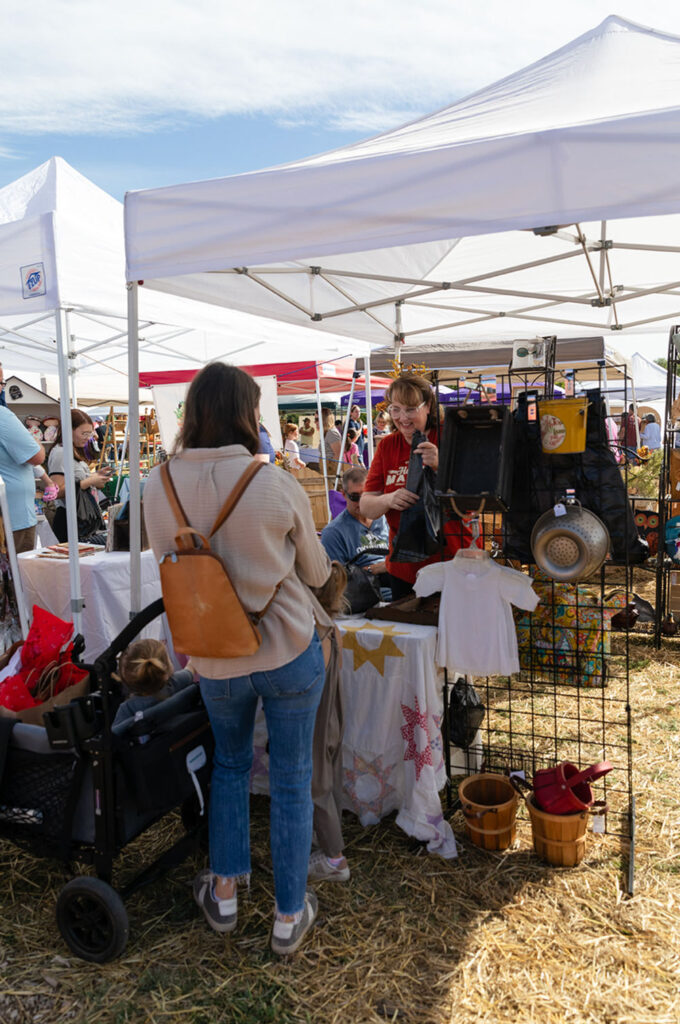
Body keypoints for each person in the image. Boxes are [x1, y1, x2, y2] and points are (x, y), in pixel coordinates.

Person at [143, 362, 331, 956]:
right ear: (249, 415)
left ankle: (224, 893)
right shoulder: (272, 483)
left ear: (193, 413)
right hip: (286, 650)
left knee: (228, 765)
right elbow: (318, 573)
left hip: (214, 654)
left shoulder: (155, 484)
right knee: (292, 776)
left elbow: (171, 571)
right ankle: (287, 914)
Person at [360, 372, 468, 600]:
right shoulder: (388, 446)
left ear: (428, 406)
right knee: (410, 631)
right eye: (395, 409)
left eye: (410, 409)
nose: (402, 417)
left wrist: (441, 466)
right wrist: (388, 500)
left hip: (453, 562)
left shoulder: (451, 436)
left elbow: (474, 497)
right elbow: (366, 506)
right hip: (404, 568)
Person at [307, 562, 350, 883]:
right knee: (329, 781)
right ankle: (321, 843)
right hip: (333, 717)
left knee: (318, 785)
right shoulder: (332, 628)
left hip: (317, 721)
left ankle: (335, 858)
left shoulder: (316, 632)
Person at [47, 410, 112, 545]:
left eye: (89, 433)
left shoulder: (72, 449)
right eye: (84, 433)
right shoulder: (61, 452)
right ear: (69, 430)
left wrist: (95, 477)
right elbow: (57, 491)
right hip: (70, 518)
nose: (87, 437)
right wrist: (89, 481)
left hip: (79, 517)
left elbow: (75, 480)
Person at [321, 467, 388, 574]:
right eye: (355, 497)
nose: (362, 502)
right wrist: (373, 569)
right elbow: (337, 579)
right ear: (343, 495)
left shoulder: (386, 519)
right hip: (364, 588)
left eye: (366, 495)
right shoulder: (333, 533)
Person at [113, 638, 193, 727]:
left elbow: (117, 732)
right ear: (164, 670)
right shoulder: (177, 682)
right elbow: (191, 667)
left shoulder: (127, 709)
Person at [0, 405, 45, 553]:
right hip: (13, 515)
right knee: (19, 571)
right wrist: (36, 442)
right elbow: (36, 456)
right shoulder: (3, 415)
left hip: (11, 511)